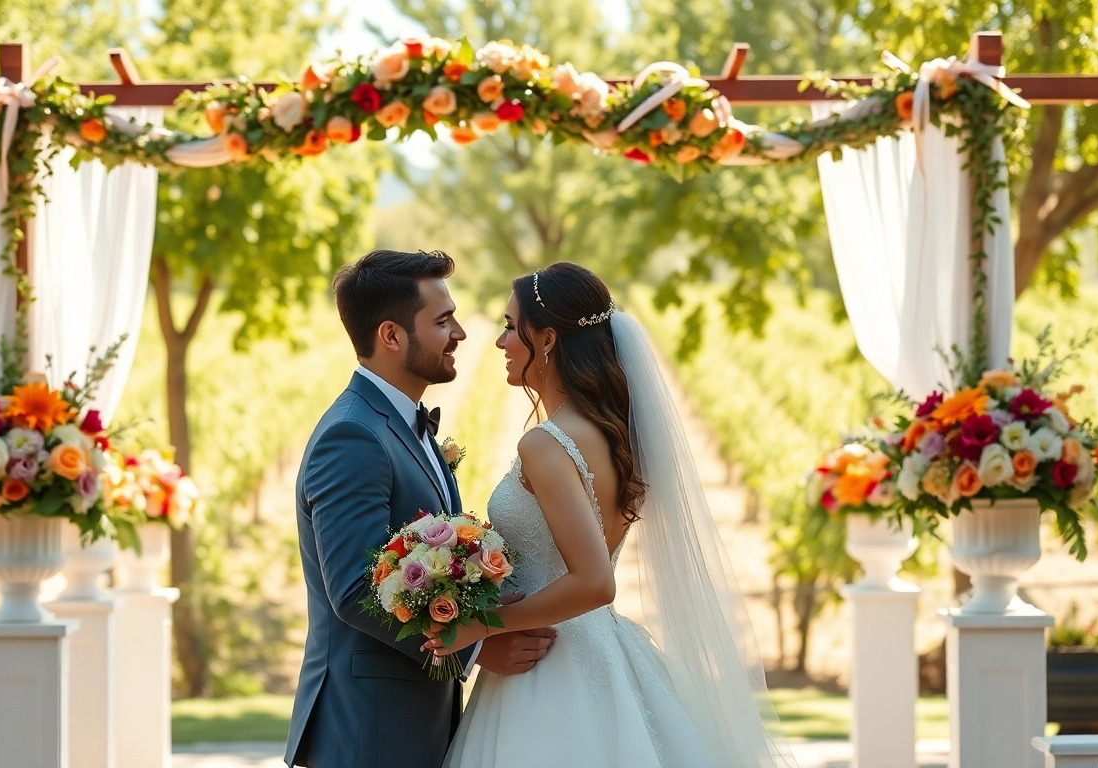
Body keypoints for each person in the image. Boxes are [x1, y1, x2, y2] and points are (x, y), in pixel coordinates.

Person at [431, 262, 797, 767]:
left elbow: (595, 583)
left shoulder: (545, 443)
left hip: (549, 666)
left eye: (512, 327)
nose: (500, 341)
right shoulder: (611, 434)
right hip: (600, 650)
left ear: (549, 338)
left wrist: (481, 625)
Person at [285, 249, 557, 768]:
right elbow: (353, 588)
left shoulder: (398, 424)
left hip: (408, 720)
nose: (459, 333)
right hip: (370, 727)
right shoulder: (352, 435)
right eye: (442, 320)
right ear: (391, 336)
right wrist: (473, 647)